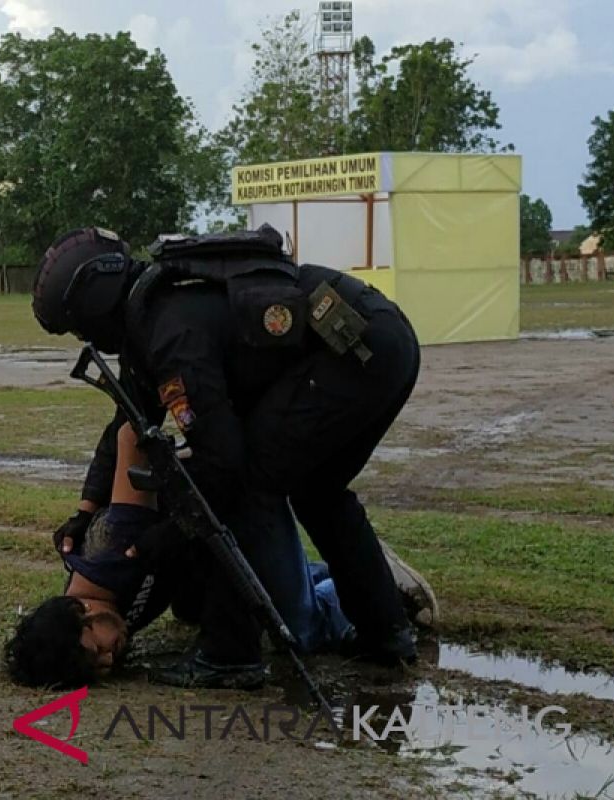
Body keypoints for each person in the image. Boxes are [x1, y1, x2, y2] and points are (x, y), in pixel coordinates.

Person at [31, 225, 430, 687]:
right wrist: (85, 509)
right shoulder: (155, 310)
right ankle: (385, 633)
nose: (87, 337)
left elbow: (223, 462)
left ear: (92, 304)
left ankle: (230, 656)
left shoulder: (169, 330)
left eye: (79, 325)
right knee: (317, 491)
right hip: (376, 341)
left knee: (242, 485)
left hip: (356, 350)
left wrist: (172, 534)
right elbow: (129, 420)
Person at [4, 422, 433, 689]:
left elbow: (130, 432)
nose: (108, 659)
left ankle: (382, 591)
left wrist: (175, 504)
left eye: (94, 649)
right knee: (202, 610)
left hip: (240, 501)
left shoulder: (111, 551)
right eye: (95, 667)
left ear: (80, 611)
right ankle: (349, 574)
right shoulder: (106, 607)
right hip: (218, 541)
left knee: (297, 632)